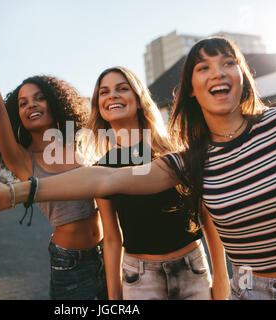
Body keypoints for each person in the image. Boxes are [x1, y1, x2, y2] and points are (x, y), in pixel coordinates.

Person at [0, 37, 276, 300]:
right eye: (204, 67)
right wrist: (16, 192)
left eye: (228, 62)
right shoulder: (177, 161)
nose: (218, 72)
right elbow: (106, 187)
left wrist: (219, 281)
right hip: (166, 278)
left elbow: (207, 221)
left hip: (215, 270)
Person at [0, 0, 106, 300]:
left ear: (55, 102)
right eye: (23, 103)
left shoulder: (78, 142)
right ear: (18, 115)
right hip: (70, 265)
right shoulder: (21, 159)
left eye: (39, 98)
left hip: (110, 253)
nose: (31, 105)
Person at [78, 66, 228, 299]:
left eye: (122, 88)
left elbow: (207, 216)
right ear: (99, 106)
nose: (112, 96)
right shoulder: (101, 169)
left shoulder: (175, 149)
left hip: (192, 270)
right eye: (104, 92)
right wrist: (114, 297)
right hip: (139, 279)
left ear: (138, 100)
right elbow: (111, 236)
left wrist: (221, 279)